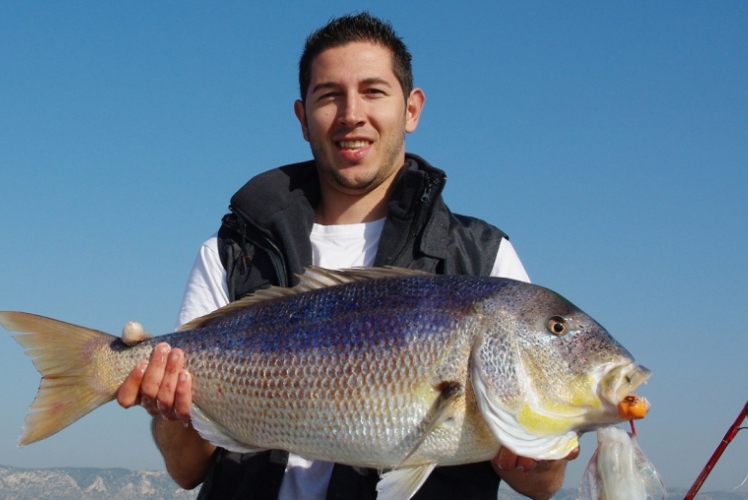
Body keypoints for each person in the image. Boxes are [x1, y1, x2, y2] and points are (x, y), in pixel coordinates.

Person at [115, 12, 577, 500]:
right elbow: (185, 470)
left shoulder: (484, 260)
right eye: (329, 95)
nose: (351, 113)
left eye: (374, 91)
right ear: (302, 117)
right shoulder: (231, 255)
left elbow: (543, 485)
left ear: (412, 109)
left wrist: (530, 455)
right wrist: (169, 409)